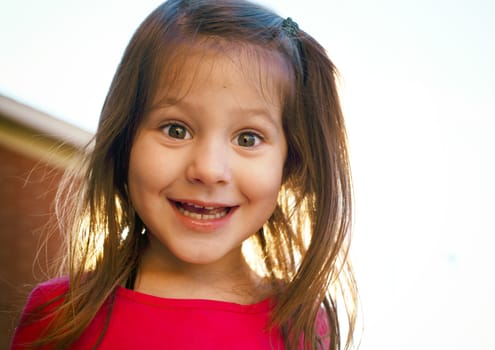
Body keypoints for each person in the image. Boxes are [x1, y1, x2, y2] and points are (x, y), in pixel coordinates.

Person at [11, 0, 357, 349]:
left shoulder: (302, 325)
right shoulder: (59, 315)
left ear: (291, 162)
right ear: (124, 139)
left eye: (248, 138)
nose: (208, 170)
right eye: (176, 130)